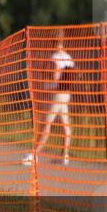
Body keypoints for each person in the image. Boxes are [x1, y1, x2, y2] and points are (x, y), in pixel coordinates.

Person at [24, 30, 75, 167]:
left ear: (53, 42)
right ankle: (64, 156)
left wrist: (45, 78)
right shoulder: (69, 58)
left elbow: (54, 76)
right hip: (66, 94)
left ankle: (33, 155)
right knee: (65, 125)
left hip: (55, 94)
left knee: (46, 124)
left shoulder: (55, 58)